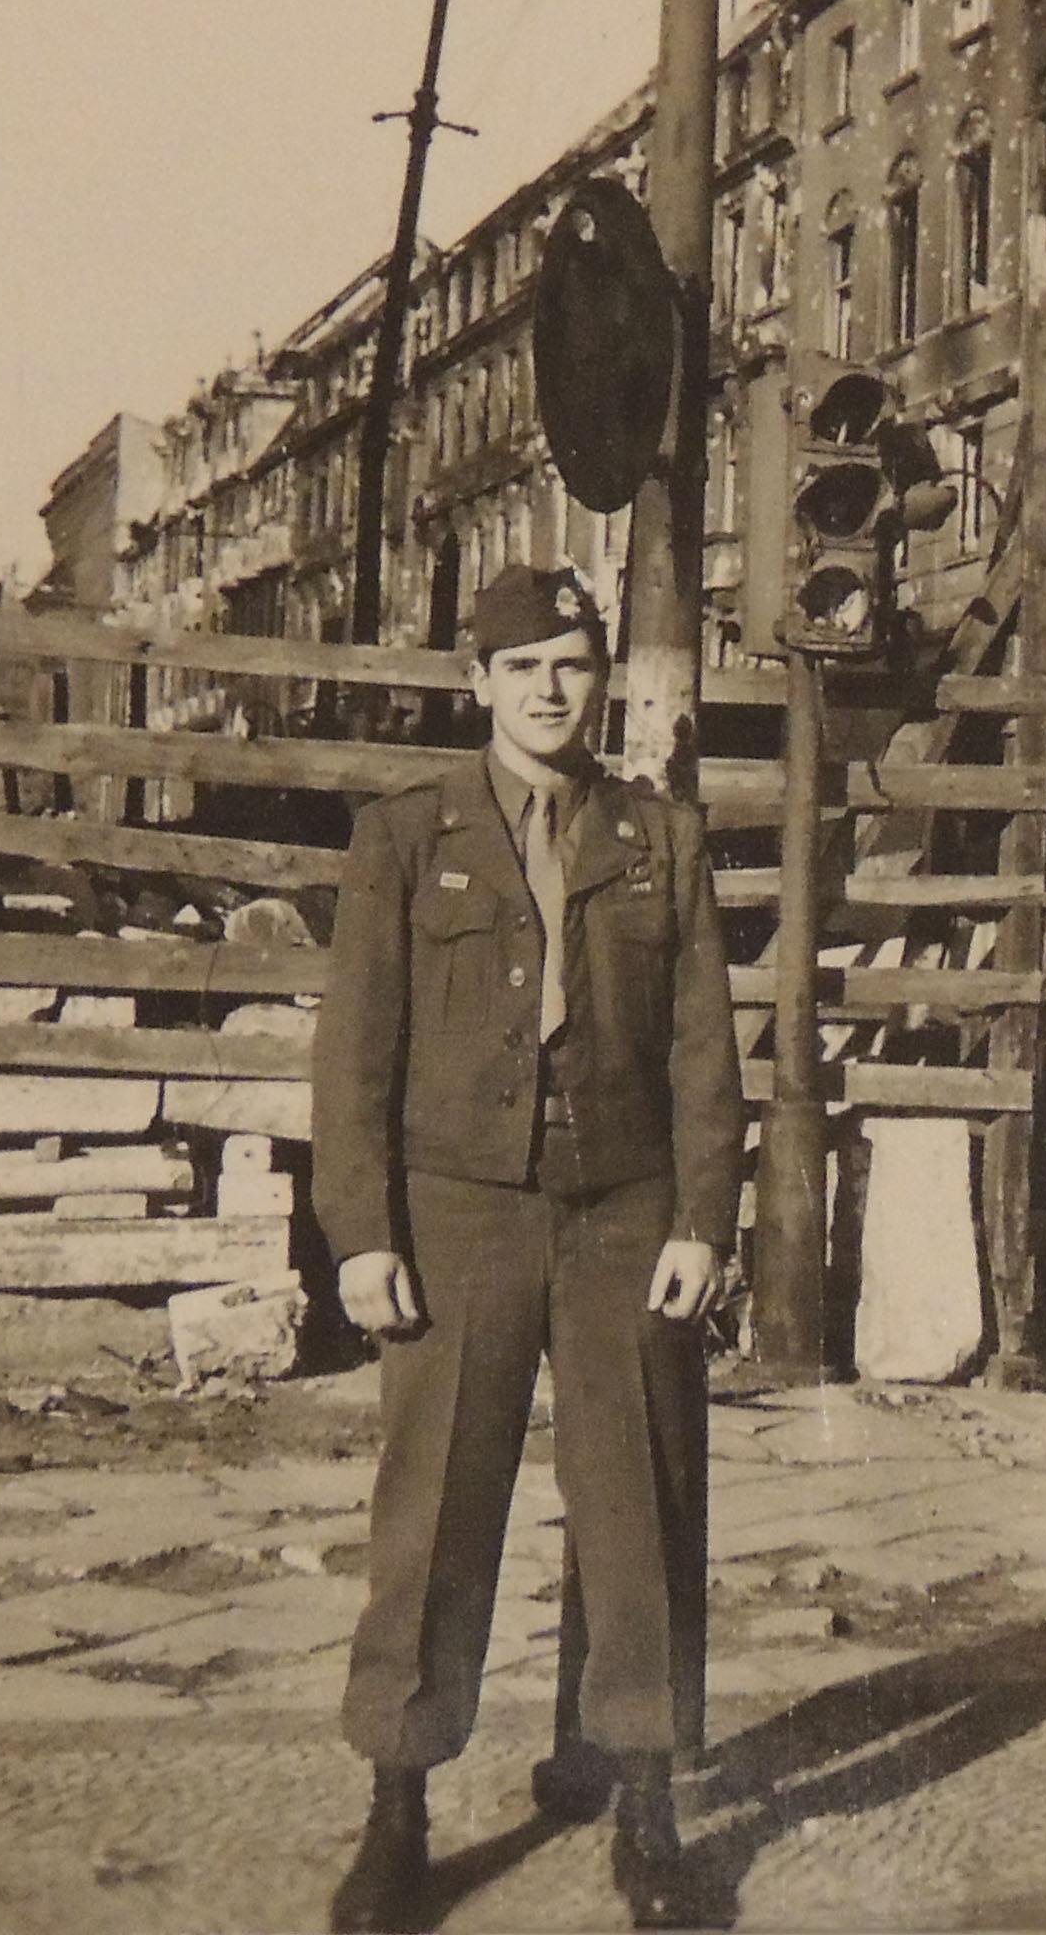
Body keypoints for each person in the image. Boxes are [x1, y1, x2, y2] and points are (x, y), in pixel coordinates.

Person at [311, 563, 744, 1933]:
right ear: (476, 683)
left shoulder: (658, 837)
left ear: (599, 675)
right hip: (458, 1212)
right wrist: (362, 1234)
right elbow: (353, 1056)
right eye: (523, 667)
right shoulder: (405, 834)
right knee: (435, 1511)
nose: (551, 690)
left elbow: (700, 1047)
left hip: (622, 1212)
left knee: (643, 1509)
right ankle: (398, 1811)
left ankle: (648, 1809)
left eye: (572, 663)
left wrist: (701, 1219)